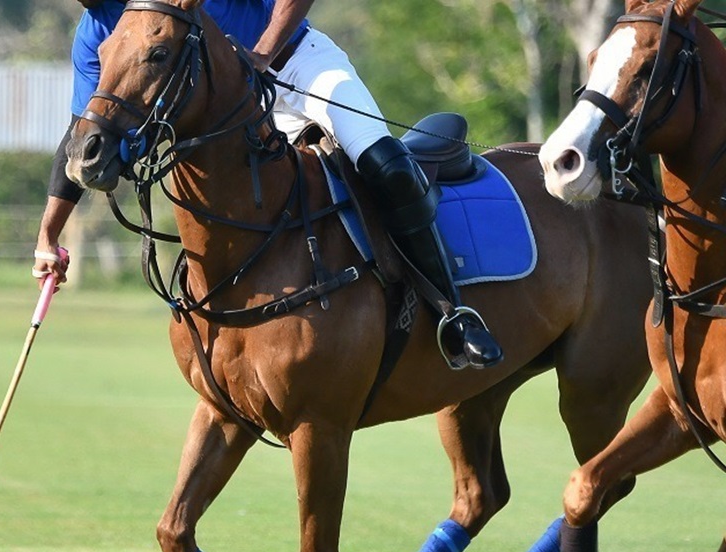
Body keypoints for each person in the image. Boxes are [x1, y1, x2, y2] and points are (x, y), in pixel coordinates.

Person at [32, 0, 502, 370]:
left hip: (297, 67)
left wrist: (264, 53)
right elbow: (85, 131)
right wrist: (48, 236)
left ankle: (453, 313)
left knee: (383, 162)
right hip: (237, 115)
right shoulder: (98, 28)